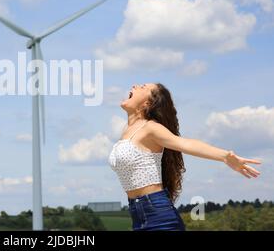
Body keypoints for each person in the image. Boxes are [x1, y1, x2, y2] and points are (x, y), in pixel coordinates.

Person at [108, 83, 262, 231]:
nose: (135, 85)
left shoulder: (150, 128)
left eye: (142, 87)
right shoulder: (127, 131)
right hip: (137, 214)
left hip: (158, 216)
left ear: (147, 103)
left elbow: (185, 144)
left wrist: (225, 156)